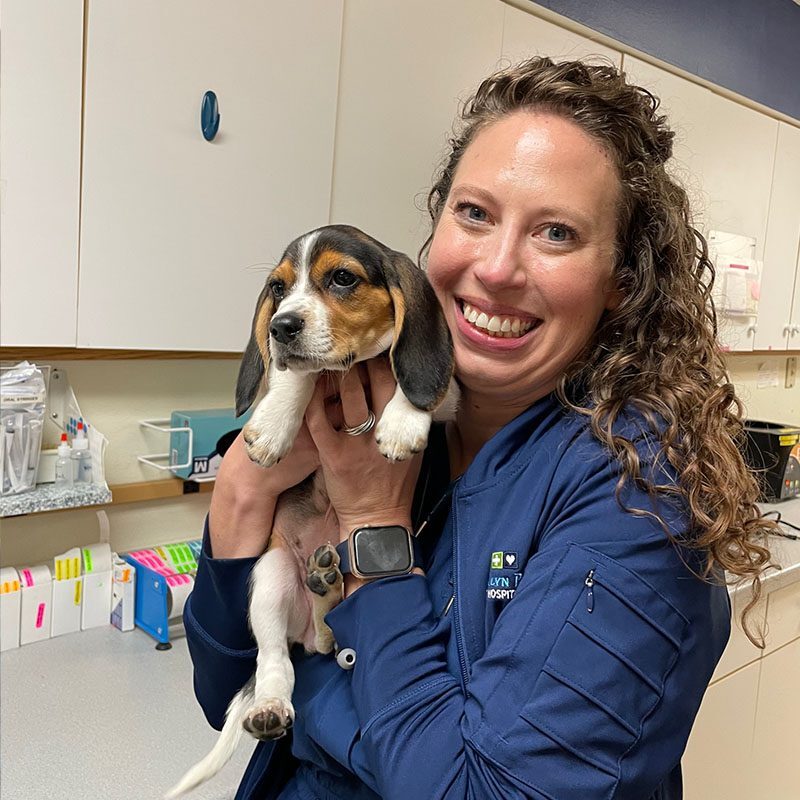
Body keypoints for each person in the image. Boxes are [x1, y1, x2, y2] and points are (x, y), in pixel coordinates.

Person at [182, 57, 775, 799]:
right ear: (433, 231)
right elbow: (223, 692)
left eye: (556, 232)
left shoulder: (638, 494)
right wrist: (242, 487)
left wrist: (371, 523)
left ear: (622, 281)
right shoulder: (379, 409)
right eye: (474, 213)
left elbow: (482, 790)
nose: (496, 269)